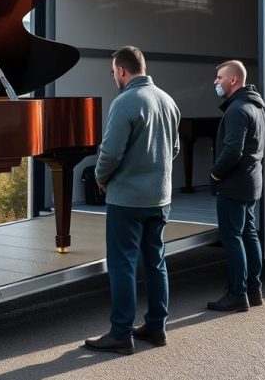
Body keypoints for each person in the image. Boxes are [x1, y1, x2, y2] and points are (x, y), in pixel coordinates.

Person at [84, 46, 180, 355]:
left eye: (113, 72)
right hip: (160, 198)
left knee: (123, 264)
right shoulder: (168, 100)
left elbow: (110, 152)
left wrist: (100, 177)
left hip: (127, 200)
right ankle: (157, 327)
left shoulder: (125, 102)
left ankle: (121, 334)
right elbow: (174, 148)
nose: (113, 77)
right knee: (156, 261)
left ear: (122, 71)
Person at [207, 59, 265, 313]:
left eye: (219, 77)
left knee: (231, 238)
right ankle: (254, 289)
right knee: (249, 235)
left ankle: (236, 294)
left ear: (233, 80)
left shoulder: (237, 109)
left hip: (234, 184)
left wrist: (215, 173)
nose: (216, 82)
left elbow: (232, 150)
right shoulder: (256, 106)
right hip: (251, 182)